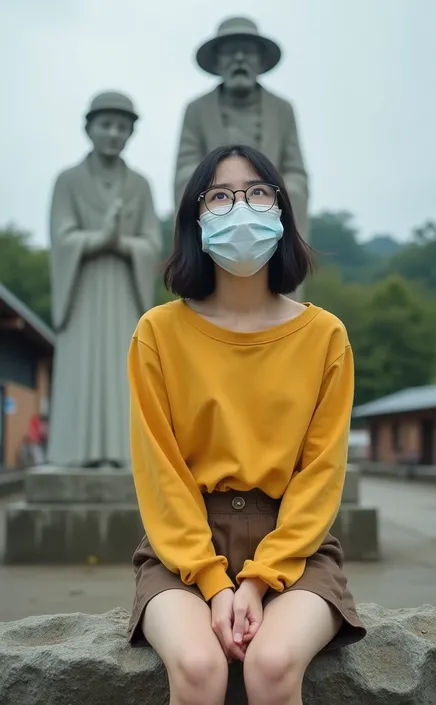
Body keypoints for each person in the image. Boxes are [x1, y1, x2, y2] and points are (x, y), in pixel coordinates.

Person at [128, 144, 365, 705]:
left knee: (274, 665)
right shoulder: (157, 333)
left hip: (298, 548)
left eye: (258, 192)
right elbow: (161, 474)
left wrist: (258, 580)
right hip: (182, 550)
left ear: (281, 211)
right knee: (197, 667)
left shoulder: (325, 335)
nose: (241, 206)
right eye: (220, 195)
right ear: (195, 218)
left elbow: (321, 473)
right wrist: (213, 585)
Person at [47, 91, 161, 468]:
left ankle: (125, 454)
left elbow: (152, 242)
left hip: (126, 288)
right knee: (81, 367)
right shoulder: (67, 181)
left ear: (130, 134)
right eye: (106, 125)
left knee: (123, 370)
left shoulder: (140, 185)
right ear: (89, 128)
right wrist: (97, 239)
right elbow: (61, 237)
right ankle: (73, 453)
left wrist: (124, 244)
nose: (113, 133)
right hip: (82, 287)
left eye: (122, 127)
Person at [174, 17, 308, 241]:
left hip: (269, 205)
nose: (239, 58)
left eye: (247, 51)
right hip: (217, 206)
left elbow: (295, 170)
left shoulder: (281, 109)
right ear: (217, 62)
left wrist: (271, 193)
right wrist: (219, 188)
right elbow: (185, 169)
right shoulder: (197, 110)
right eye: (230, 52)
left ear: (261, 61)